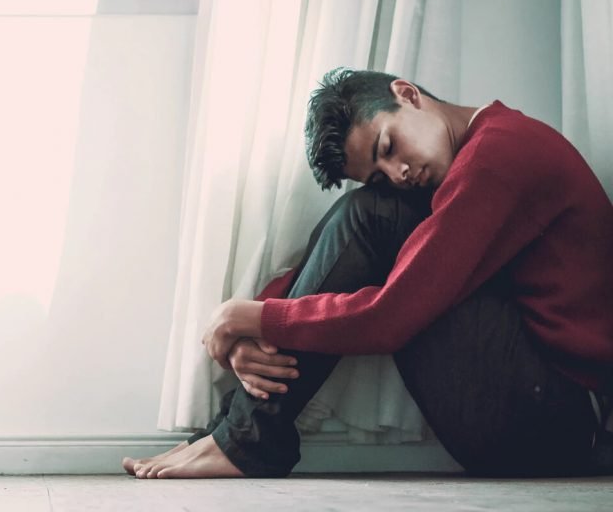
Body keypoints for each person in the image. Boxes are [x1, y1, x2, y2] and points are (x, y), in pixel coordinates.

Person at [123, 68, 613, 478]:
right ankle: (239, 433)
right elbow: (346, 254)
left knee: (371, 215)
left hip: (560, 422)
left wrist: (254, 319)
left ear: (407, 94)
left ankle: (244, 439)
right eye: (380, 169)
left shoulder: (500, 157)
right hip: (538, 405)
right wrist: (253, 324)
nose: (398, 172)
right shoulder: (473, 158)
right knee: (370, 209)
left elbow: (391, 317)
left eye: (388, 145)